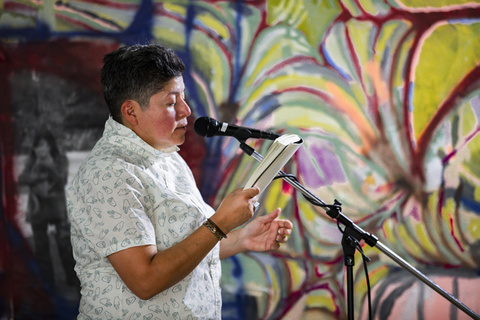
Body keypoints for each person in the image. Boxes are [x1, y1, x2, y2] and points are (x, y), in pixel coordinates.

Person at [66, 43, 293, 319]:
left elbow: (188, 246)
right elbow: (145, 281)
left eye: (183, 98)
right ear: (131, 112)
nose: (186, 110)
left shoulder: (166, 155)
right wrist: (220, 223)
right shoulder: (107, 174)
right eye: (172, 103)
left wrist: (241, 238)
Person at [18, 131, 78, 289]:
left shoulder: (59, 159)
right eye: (37, 147)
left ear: (50, 146)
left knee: (64, 243)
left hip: (56, 206)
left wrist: (48, 166)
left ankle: (71, 278)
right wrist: (37, 172)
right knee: (41, 246)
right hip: (37, 207)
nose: (40, 150)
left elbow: (62, 179)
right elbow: (22, 179)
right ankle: (48, 282)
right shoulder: (31, 161)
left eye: (42, 146)